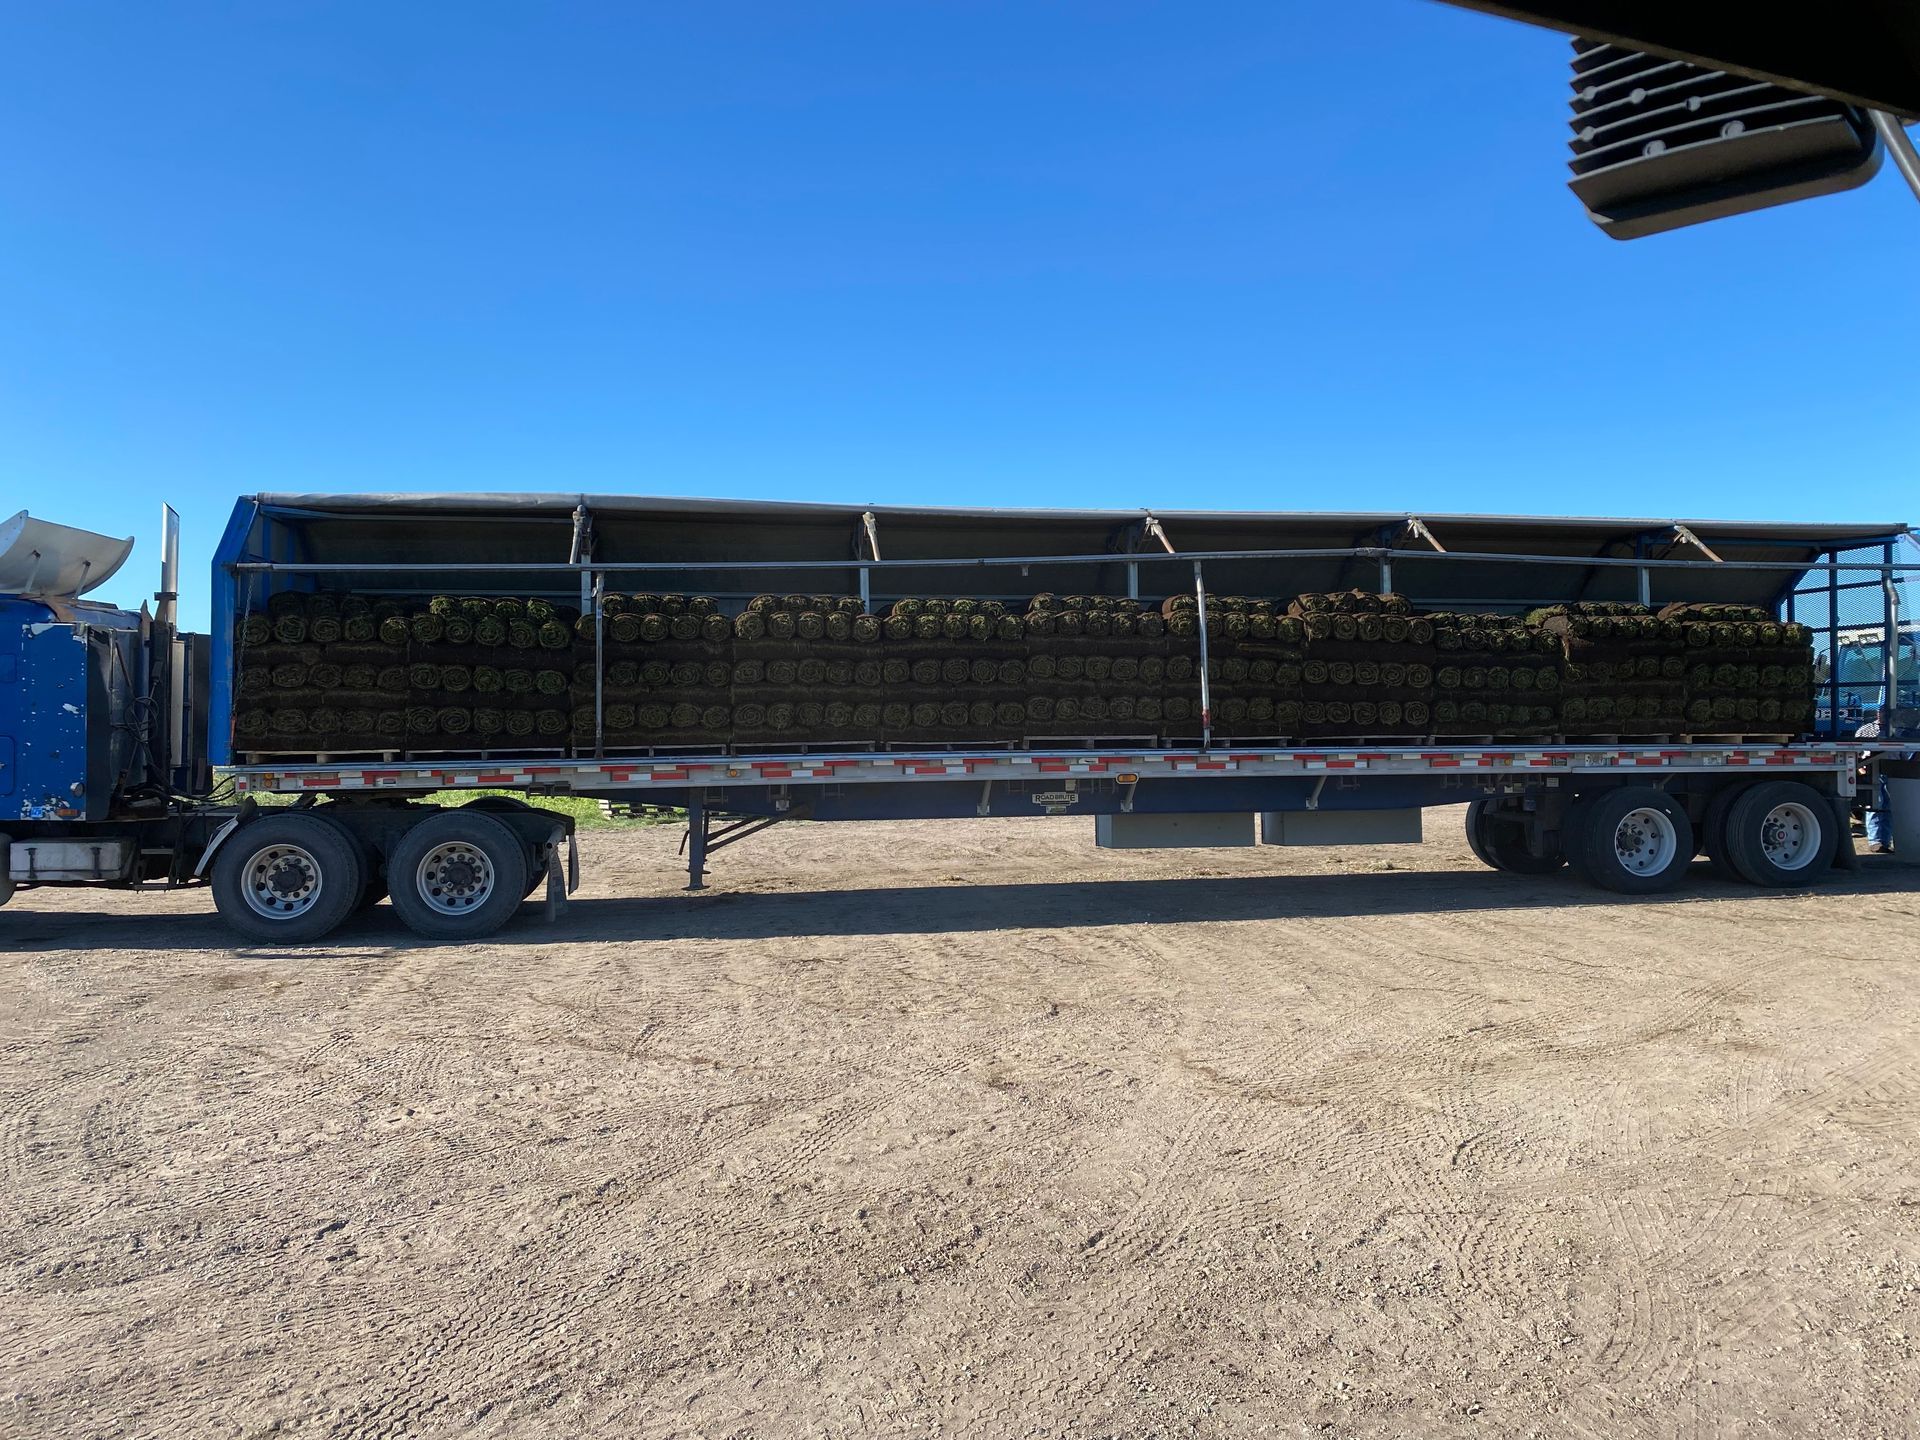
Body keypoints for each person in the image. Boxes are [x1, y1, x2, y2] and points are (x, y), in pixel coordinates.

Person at [1856, 708, 1917, 854]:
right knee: (1876, 804)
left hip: (1893, 770)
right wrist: (1859, 767)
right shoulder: (1866, 729)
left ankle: (1886, 840)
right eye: (1880, 711)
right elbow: (1856, 750)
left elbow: (1905, 754)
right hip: (1872, 769)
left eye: (1885, 712)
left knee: (1890, 806)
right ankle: (1875, 841)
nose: (1881, 714)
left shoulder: (1898, 731)